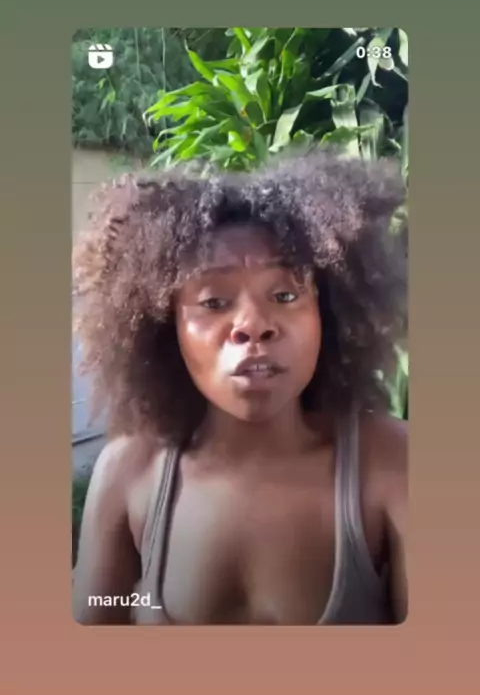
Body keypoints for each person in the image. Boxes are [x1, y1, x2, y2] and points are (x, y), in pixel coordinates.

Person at [72, 147, 408, 626]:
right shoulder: (127, 473)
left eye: (285, 294)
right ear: (165, 327)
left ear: (327, 315)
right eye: (214, 302)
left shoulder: (392, 464)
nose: (253, 325)